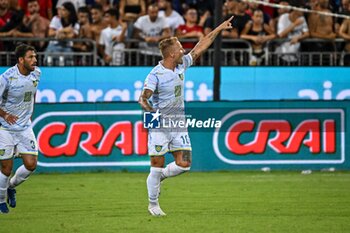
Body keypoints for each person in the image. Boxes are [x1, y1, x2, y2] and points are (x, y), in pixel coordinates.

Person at [138, 16, 234, 216]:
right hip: (159, 123)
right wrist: (151, 113)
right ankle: (153, 204)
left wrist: (219, 28)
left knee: (185, 164)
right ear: (172, 53)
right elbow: (143, 99)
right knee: (156, 163)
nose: (184, 50)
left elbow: (200, 45)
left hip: (178, 123)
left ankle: (160, 177)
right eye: (181, 47)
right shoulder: (155, 75)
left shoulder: (182, 65)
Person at [0, 44, 41, 214]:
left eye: (35, 56)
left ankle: (10, 187)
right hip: (5, 128)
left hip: (24, 127)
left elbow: (33, 93)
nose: (35, 60)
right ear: (21, 60)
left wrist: (31, 111)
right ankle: (1, 201)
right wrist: (4, 115)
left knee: (31, 164)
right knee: (6, 168)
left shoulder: (37, 73)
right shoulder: (6, 78)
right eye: (31, 57)